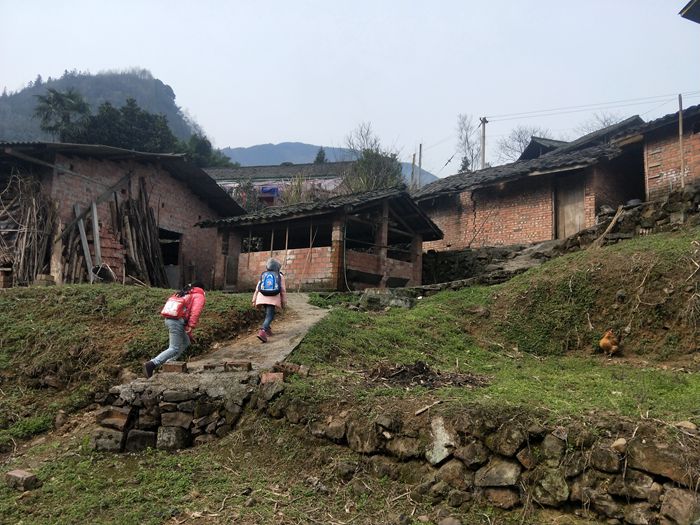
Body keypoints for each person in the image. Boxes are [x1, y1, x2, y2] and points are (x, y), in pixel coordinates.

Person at [144, 281, 206, 378]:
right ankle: (152, 364)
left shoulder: (184, 292)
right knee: (174, 348)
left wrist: (189, 334)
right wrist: (191, 325)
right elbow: (195, 312)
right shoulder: (199, 296)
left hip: (171, 319)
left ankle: (168, 363)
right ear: (202, 288)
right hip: (177, 322)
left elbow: (182, 312)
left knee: (186, 342)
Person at [252, 258, 287, 343]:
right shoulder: (280, 276)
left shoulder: (264, 275)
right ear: (278, 268)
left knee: (268, 314)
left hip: (262, 297)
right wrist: (284, 302)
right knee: (270, 316)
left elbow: (257, 288)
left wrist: (254, 299)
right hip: (272, 299)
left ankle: (268, 330)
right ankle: (263, 331)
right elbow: (283, 290)